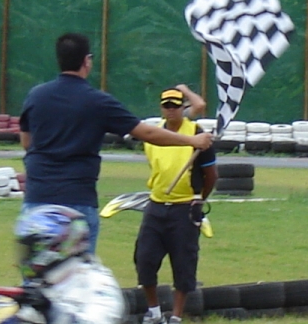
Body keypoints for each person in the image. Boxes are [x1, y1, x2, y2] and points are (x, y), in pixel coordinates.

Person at [19, 33, 213, 253]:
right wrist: (191, 140)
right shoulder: (98, 101)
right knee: (76, 276)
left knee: (37, 274)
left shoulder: (35, 96)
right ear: (87, 61)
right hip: (76, 199)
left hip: (37, 198)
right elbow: (147, 133)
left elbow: (27, 142)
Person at [134, 87, 218, 324]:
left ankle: (176, 318)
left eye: (175, 105)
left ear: (183, 107)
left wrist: (199, 200)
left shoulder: (196, 134)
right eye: (166, 106)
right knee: (145, 259)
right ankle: (154, 314)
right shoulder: (154, 133)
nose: (171, 110)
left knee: (183, 263)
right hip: (157, 204)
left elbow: (211, 175)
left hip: (185, 207)